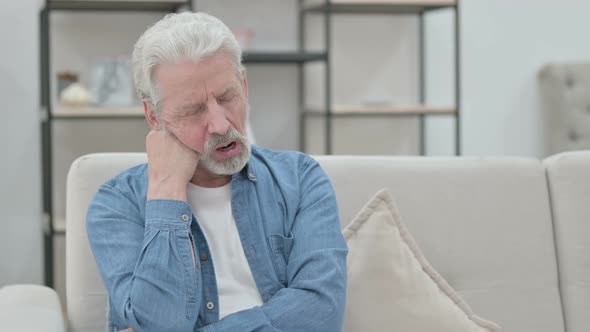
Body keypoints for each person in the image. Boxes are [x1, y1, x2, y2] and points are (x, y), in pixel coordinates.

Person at [86, 12, 348, 332]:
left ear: (245, 85)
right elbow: (156, 324)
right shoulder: (116, 205)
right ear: (154, 117)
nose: (221, 124)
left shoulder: (300, 178)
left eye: (227, 97)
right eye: (193, 110)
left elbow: (323, 312)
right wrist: (167, 191)